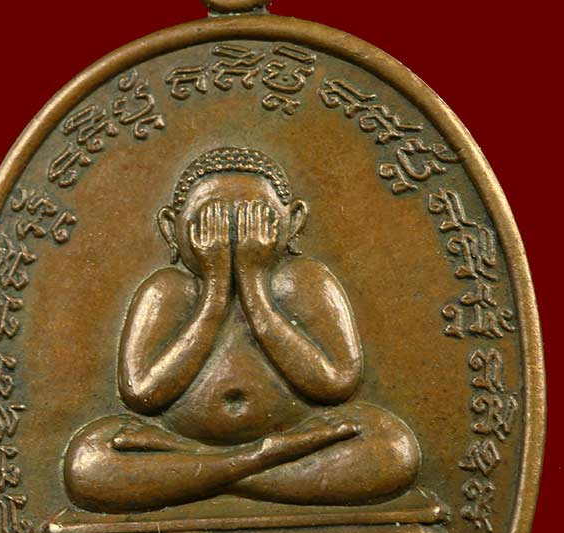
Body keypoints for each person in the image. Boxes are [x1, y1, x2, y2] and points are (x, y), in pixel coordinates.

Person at [64, 147, 420, 513]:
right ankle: (259, 464)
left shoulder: (304, 280)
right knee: (88, 459)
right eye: (212, 220)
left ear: (293, 222)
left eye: (255, 219)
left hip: (293, 435)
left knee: (392, 447)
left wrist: (253, 284)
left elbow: (336, 383)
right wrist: (216, 290)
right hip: (213, 441)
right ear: (172, 227)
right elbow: (141, 393)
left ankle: (207, 474)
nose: (232, 237)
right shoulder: (166, 290)